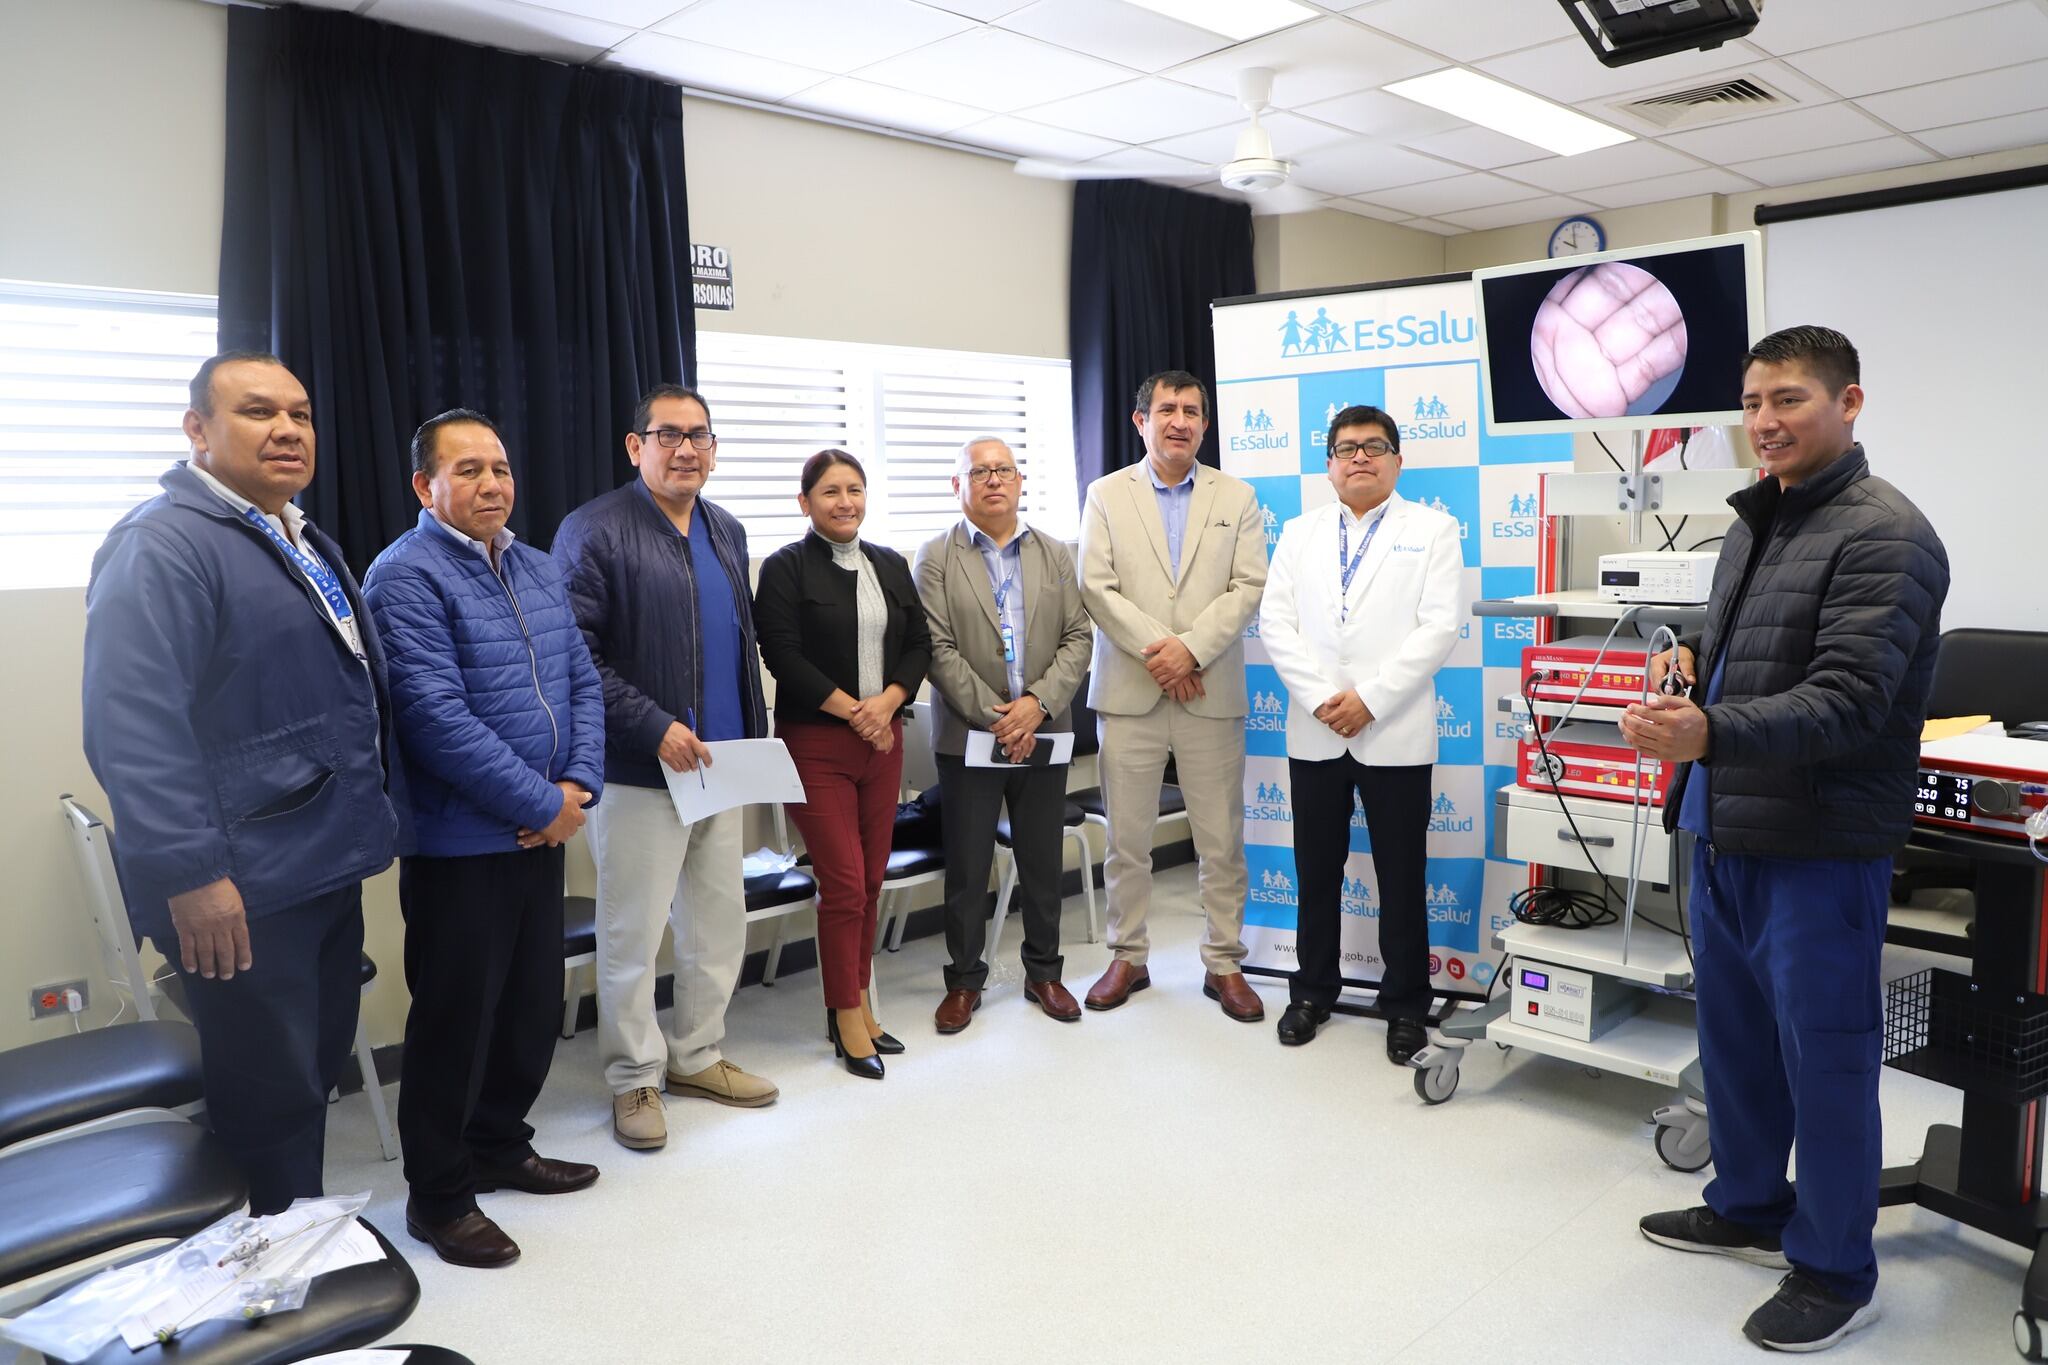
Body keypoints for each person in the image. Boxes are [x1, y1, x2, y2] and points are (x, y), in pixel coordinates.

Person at [1625, 326, 1948, 1353]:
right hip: (1724, 829)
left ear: (1848, 403)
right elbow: (1742, 647)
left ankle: (1834, 1268)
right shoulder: (1756, 520)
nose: (1764, 421)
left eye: (1789, 400)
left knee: (1827, 1062)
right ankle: (1749, 1202)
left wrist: (1708, 732)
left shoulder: (1885, 535)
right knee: (1734, 1047)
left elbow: (1848, 701)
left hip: (1818, 845)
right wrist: (1686, 661)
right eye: (1752, 402)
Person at [82, 352, 406, 1214]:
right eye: (259, 412)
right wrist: (193, 875)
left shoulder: (294, 533)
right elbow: (132, 728)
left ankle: (298, 1241)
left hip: (319, 863)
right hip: (242, 884)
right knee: (269, 1096)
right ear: (198, 429)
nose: (289, 429)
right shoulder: (161, 545)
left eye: (300, 414)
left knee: (309, 1074)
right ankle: (271, 1272)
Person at [363, 409, 605, 1268]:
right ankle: (438, 1195)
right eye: (467, 469)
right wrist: (542, 800)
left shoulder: (535, 565)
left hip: (542, 830)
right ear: (424, 485)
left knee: (530, 1006)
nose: (492, 483)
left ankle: (500, 1144)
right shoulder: (404, 576)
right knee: (455, 1022)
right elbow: (433, 717)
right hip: (461, 843)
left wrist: (578, 785)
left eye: (499, 467)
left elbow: (581, 680)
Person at [553, 384, 777, 1152]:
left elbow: (738, 643)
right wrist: (653, 726)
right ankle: (633, 1076)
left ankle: (697, 1054)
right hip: (638, 771)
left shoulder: (726, 528)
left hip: (722, 765)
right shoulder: (594, 530)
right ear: (635, 445)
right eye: (668, 434)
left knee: (717, 923)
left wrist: (751, 738)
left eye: (699, 435)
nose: (686, 449)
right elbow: (575, 653)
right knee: (633, 933)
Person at [1256, 405, 1462, 1063]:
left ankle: (1405, 1005)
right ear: (1329, 465)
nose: (1360, 458)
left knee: (1402, 875)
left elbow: (1439, 627)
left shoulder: (1432, 529)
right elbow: (1275, 624)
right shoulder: (1299, 533)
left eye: (1374, 446)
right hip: (1316, 729)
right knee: (1316, 871)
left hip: (1393, 730)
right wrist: (1324, 699)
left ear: (1397, 460)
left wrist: (1370, 700)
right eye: (1346, 448)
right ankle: (1312, 991)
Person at [1076, 369, 1268, 1021]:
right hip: (1130, 692)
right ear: (1142, 421)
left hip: (1209, 689)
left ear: (1205, 425)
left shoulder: (1236, 496)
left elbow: (1248, 586)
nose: (1179, 420)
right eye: (1166, 409)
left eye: (1191, 410)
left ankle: (1224, 962)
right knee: (1127, 841)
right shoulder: (1106, 494)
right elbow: (1096, 587)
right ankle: (1127, 956)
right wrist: (1167, 653)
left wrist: (1192, 651)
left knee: (1221, 840)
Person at [754, 449, 932, 1078]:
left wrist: (887, 704)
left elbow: (919, 643)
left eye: (854, 489)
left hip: (883, 742)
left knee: (871, 880)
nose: (845, 502)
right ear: (805, 502)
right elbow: (782, 655)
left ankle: (858, 998)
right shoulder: (785, 567)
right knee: (846, 885)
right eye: (830, 491)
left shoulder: (889, 563)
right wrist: (857, 712)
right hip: (815, 745)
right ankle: (846, 1013)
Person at [913, 438, 1093, 1033]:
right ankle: (964, 981)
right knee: (968, 867)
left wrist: (1036, 706)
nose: (993, 480)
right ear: (957, 485)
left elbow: (1079, 637)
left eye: (1004, 470)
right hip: (969, 738)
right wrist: (1000, 718)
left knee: (1042, 860)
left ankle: (1044, 973)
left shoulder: (1054, 552)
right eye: (979, 472)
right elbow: (935, 648)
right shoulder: (936, 556)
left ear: (1020, 481)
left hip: (1044, 731)